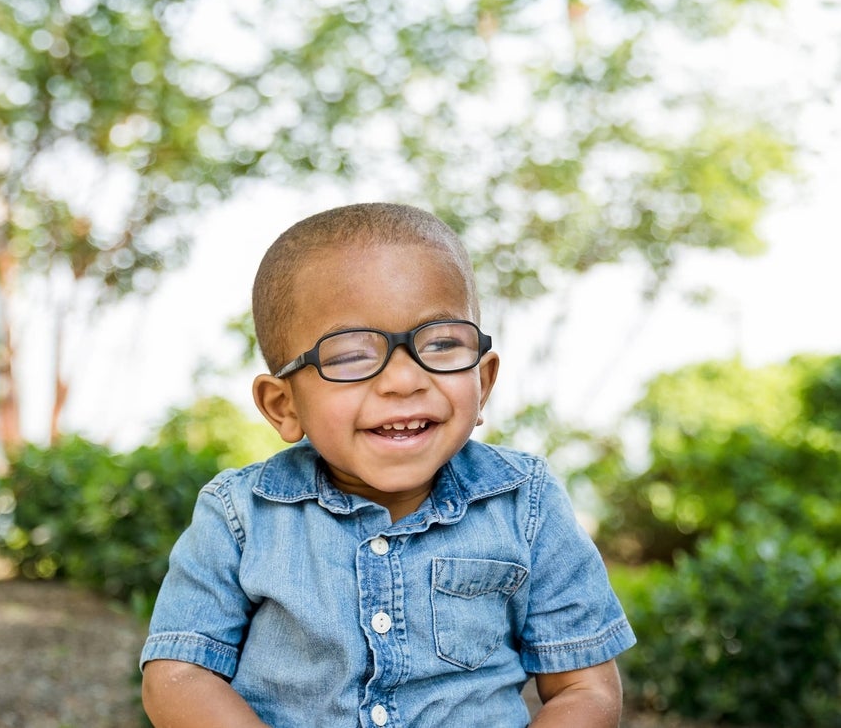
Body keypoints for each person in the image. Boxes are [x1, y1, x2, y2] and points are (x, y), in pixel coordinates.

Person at [140, 203, 636, 727]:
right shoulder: (241, 515)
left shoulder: (524, 504)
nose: (403, 380)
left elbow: (586, 687)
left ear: (483, 382)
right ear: (283, 405)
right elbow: (178, 676)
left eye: (442, 343)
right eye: (351, 354)